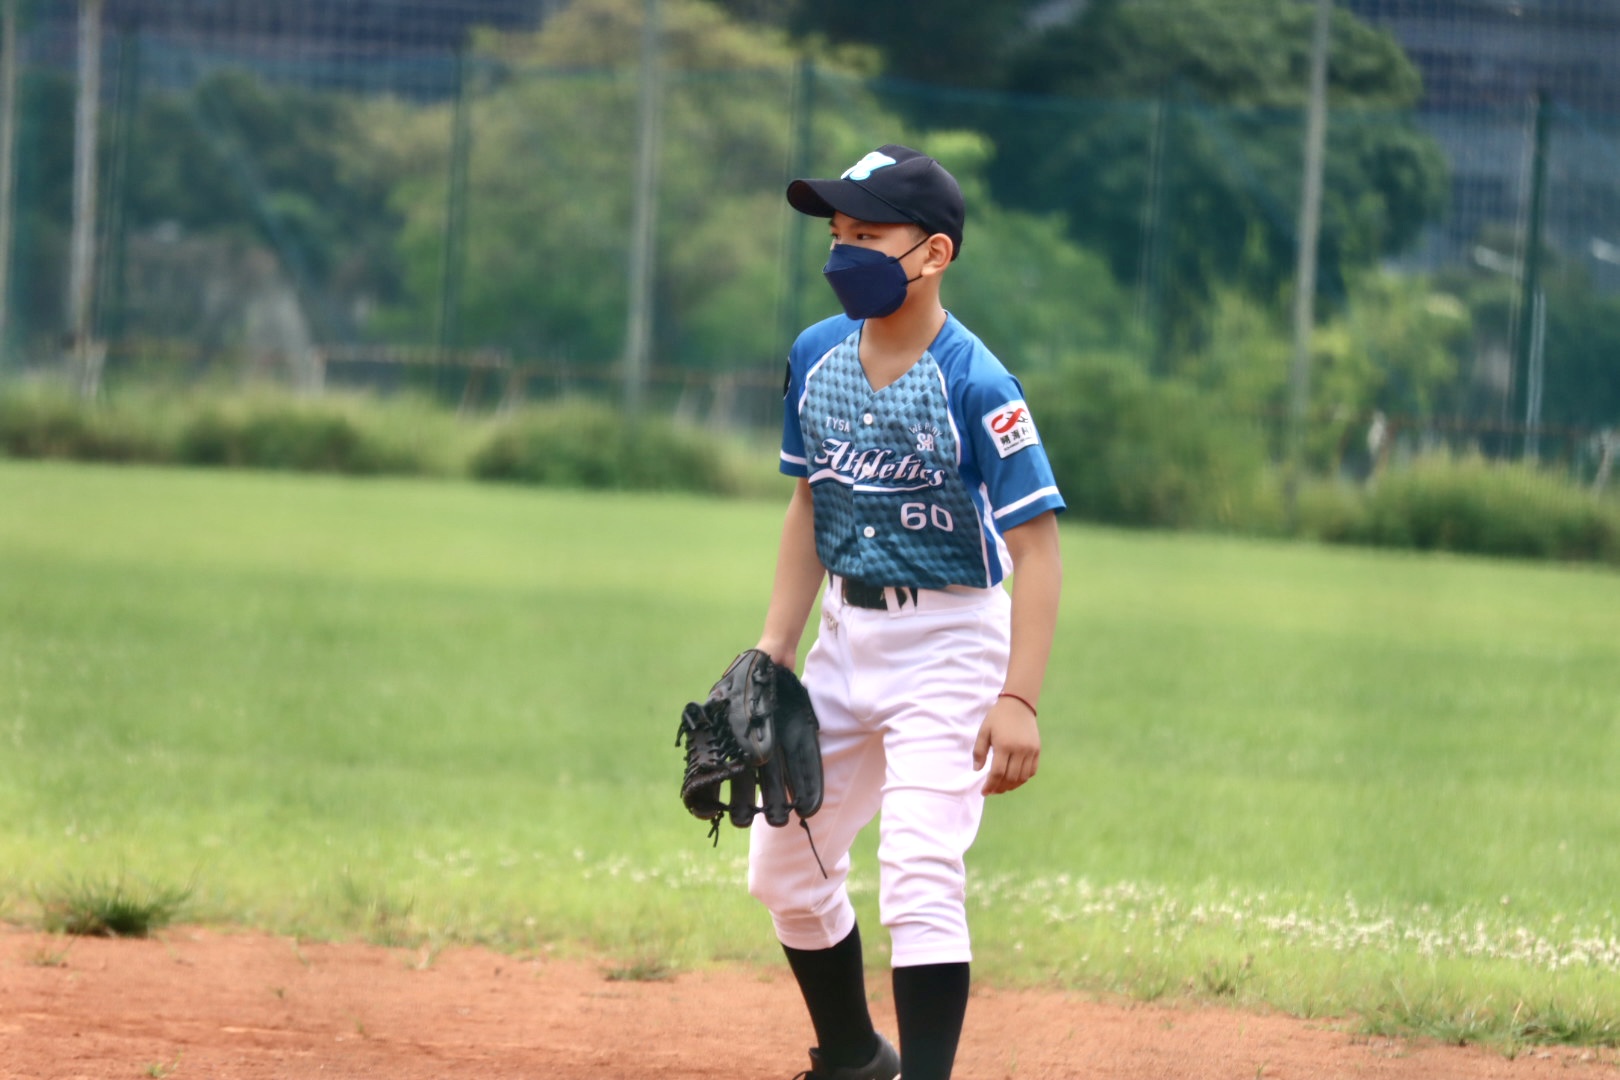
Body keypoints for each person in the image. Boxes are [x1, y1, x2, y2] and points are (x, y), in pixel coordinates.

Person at [747, 144, 1066, 1080]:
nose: (845, 250)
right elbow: (811, 503)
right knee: (783, 868)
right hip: (844, 636)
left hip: (951, 643)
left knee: (920, 872)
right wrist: (775, 644)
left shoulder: (978, 383)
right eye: (838, 232)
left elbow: (1038, 549)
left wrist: (1020, 698)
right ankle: (854, 1057)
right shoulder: (816, 355)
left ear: (933, 253)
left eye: (868, 233)